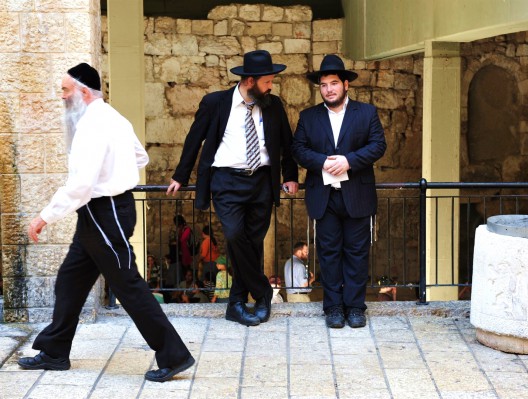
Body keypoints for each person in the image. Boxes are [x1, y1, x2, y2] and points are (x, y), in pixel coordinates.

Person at [17, 63, 194, 382]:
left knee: (128, 286)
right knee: (70, 279)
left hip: (105, 212)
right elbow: (141, 157)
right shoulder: (114, 118)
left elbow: (81, 185)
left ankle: (174, 355)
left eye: (65, 90)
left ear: (83, 92)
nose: (62, 97)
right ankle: (55, 351)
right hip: (101, 213)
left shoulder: (92, 125)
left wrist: (44, 216)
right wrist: (116, 170)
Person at [167, 50, 299, 326]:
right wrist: (180, 175)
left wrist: (290, 175)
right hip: (226, 181)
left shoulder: (273, 105)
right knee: (235, 234)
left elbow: (287, 144)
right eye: (267, 81)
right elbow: (194, 139)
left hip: (262, 181)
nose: (271, 86)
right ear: (250, 81)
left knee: (252, 242)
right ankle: (263, 292)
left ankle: (236, 303)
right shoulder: (216, 103)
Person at [292, 54, 387, 329]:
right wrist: (322, 161)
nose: (328, 89)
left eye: (334, 83)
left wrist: (349, 161)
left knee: (357, 253)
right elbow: (298, 149)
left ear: (346, 85)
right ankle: (333, 307)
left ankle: (355, 307)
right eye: (323, 85)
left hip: (357, 194)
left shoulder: (366, 112)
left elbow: (378, 145)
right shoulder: (308, 117)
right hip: (324, 196)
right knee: (329, 254)